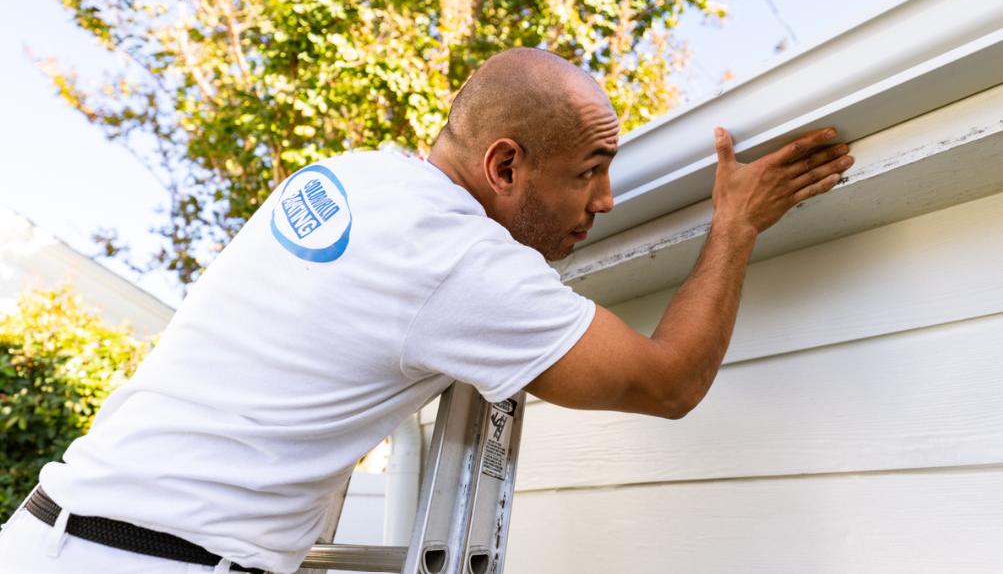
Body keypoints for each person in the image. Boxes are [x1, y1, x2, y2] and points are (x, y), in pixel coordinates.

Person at [0, 48, 853, 574]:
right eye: (588, 169)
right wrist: (736, 222)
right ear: (505, 164)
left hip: (48, 538)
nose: (604, 199)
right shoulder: (451, 255)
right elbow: (667, 381)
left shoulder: (348, 177)